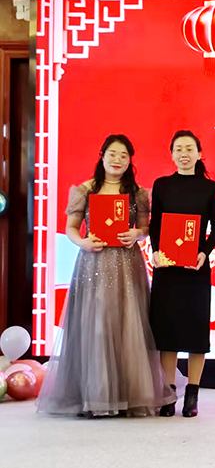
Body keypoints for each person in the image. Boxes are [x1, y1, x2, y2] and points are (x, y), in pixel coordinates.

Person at [37, 135, 173, 417]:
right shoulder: (85, 189)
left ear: (130, 160)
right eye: (112, 153)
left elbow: (145, 228)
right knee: (96, 325)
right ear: (102, 156)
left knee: (127, 325)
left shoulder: (137, 193)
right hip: (93, 263)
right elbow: (71, 227)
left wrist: (136, 234)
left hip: (127, 265)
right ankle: (95, 396)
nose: (117, 160)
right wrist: (83, 242)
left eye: (124, 155)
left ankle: (127, 396)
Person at [149, 130, 215, 417]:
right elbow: (155, 224)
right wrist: (156, 251)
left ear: (199, 154)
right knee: (167, 332)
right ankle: (168, 394)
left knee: (195, 332)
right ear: (171, 154)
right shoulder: (162, 185)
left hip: (195, 268)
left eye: (189, 148)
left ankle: (192, 395)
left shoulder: (209, 188)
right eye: (178, 148)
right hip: (167, 269)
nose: (184, 153)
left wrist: (204, 252)